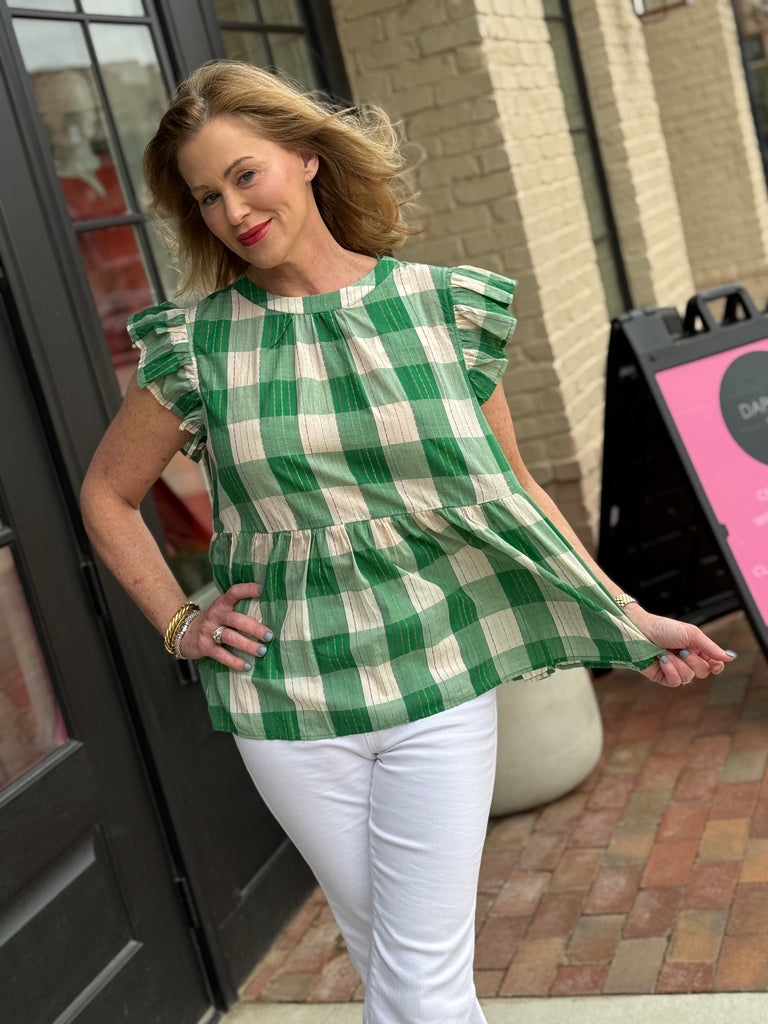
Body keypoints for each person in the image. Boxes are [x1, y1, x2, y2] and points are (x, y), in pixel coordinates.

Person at [80, 60, 736, 1024]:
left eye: (245, 175)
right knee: (399, 966)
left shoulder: (444, 307)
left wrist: (627, 616)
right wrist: (181, 623)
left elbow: (513, 490)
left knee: (417, 980)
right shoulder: (197, 345)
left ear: (307, 158)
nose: (232, 211)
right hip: (287, 700)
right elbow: (106, 494)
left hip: (436, 678)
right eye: (207, 196)